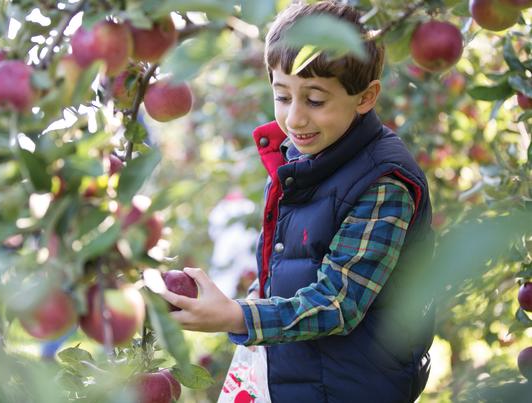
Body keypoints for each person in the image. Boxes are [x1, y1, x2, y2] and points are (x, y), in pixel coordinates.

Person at [161, 2, 436, 402]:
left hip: (353, 389)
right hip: (301, 380)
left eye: (315, 100)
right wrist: (243, 298)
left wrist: (237, 317)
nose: (294, 119)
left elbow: (339, 302)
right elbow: (296, 262)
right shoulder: (308, 161)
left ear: (365, 96)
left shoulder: (384, 183)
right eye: (282, 96)